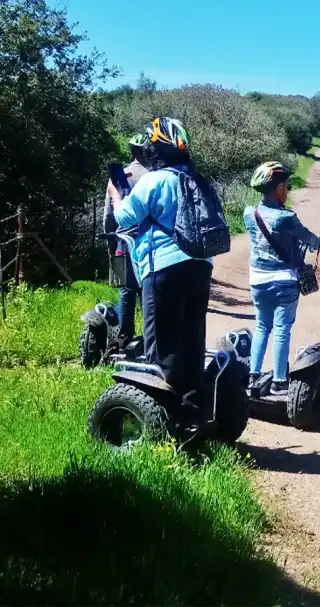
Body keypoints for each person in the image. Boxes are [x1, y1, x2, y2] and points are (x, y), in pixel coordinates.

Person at [109, 117, 214, 416]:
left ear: (156, 149)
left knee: (162, 344)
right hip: (201, 266)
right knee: (193, 341)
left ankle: (163, 415)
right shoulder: (198, 180)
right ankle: (193, 411)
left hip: (163, 268)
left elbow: (124, 218)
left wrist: (117, 196)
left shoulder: (154, 181)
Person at [243, 161, 320, 395]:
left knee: (262, 325)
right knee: (282, 329)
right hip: (283, 279)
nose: (288, 189)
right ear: (278, 188)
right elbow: (307, 237)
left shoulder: (249, 214)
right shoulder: (286, 217)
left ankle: (253, 376)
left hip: (257, 279)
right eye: (287, 185)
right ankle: (279, 382)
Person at [103, 133, 151, 346]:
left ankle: (123, 338)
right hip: (148, 240)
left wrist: (110, 241)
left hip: (122, 240)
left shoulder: (118, 175)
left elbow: (108, 216)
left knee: (125, 289)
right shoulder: (154, 176)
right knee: (148, 290)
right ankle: (151, 338)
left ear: (131, 151)